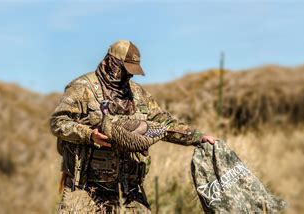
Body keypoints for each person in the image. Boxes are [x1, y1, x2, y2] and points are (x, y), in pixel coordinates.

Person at [50, 40, 215, 213]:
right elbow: (58, 122)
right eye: (125, 69)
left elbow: (164, 124)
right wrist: (89, 134)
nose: (129, 76)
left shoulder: (138, 94)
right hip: (84, 189)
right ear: (111, 62)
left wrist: (197, 137)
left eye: (132, 71)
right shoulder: (82, 88)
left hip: (128, 191)